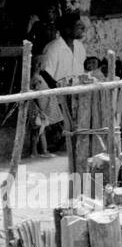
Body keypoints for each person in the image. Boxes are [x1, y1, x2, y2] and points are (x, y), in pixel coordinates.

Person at [33, 13, 88, 154]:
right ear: (67, 30)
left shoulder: (79, 47)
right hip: (56, 96)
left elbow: (79, 73)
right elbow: (43, 78)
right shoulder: (53, 49)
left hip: (74, 93)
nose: (83, 28)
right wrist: (59, 93)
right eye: (78, 26)